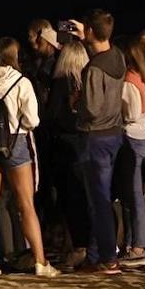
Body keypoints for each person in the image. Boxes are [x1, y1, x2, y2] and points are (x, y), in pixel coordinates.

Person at [0, 38, 59, 277]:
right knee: (25, 204)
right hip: (15, 141)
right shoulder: (21, 82)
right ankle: (40, 261)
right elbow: (33, 120)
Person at [76, 9, 127, 274]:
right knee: (102, 197)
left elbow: (93, 108)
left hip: (94, 135)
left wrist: (77, 104)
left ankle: (108, 257)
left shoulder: (94, 68)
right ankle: (97, 256)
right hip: (114, 133)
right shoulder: (117, 56)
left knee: (98, 200)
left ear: (90, 32)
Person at [43, 37, 92, 267]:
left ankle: (76, 246)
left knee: (68, 198)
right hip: (85, 142)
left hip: (64, 144)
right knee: (83, 196)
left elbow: (52, 116)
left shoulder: (62, 82)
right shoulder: (87, 81)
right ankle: (79, 244)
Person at [118, 37, 145, 266]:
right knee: (132, 195)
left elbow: (130, 113)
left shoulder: (130, 80)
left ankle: (139, 246)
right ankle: (133, 244)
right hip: (140, 136)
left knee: (134, 195)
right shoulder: (141, 78)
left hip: (132, 136)